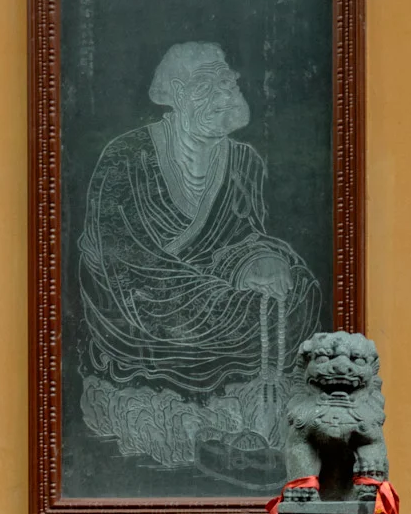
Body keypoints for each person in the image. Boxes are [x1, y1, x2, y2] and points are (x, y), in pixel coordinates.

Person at [76, 40, 322, 472]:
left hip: (214, 294)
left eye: (226, 82)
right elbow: (126, 259)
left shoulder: (244, 160)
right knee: (219, 309)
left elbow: (244, 236)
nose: (223, 94)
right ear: (174, 92)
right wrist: (213, 294)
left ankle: (255, 415)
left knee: (296, 288)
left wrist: (260, 259)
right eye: (205, 85)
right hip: (140, 295)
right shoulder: (126, 157)